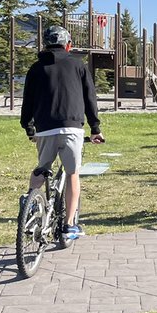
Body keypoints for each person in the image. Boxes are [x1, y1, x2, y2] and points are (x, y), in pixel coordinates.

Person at [20, 25, 104, 240]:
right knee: (73, 175)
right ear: (68, 45)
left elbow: (27, 102)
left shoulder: (36, 68)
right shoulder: (78, 66)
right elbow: (89, 99)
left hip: (45, 129)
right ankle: (68, 226)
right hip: (71, 128)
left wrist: (29, 129)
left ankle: (30, 205)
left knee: (41, 170)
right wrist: (95, 128)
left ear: (46, 45)